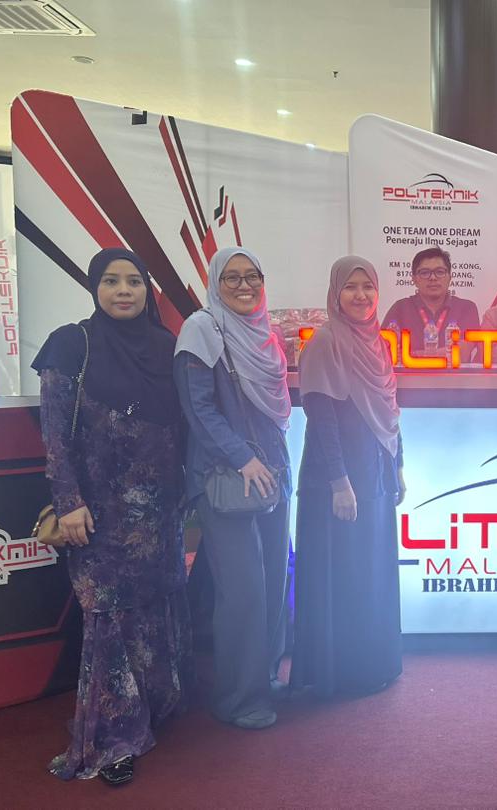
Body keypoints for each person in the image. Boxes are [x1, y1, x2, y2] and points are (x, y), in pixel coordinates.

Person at [33, 247, 189, 786]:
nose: (124, 291)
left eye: (134, 282)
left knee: (153, 608)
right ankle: (113, 737)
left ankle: (152, 709)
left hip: (160, 511)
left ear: (148, 290)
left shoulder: (166, 347)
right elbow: (54, 435)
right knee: (109, 618)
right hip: (98, 514)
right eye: (111, 281)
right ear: (94, 287)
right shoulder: (70, 344)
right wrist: (68, 502)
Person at [174, 247, 292, 730]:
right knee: (242, 590)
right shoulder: (201, 330)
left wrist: (270, 463)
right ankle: (238, 698)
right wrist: (241, 458)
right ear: (215, 283)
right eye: (232, 278)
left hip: (273, 471)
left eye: (252, 276)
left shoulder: (265, 332)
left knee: (273, 581)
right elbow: (198, 409)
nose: (245, 286)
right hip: (227, 476)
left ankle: (263, 676)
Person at [292, 255, 406, 697]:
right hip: (338, 477)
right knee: (343, 572)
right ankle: (341, 673)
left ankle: (372, 664)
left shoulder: (377, 342)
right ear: (335, 293)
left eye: (368, 287)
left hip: (374, 471)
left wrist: (397, 466)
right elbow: (321, 418)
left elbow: (390, 411)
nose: (361, 296)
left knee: (369, 569)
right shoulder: (326, 341)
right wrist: (339, 483)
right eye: (350, 287)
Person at [381, 245, 480, 360]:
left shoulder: (467, 308)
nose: (433, 277)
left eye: (440, 272)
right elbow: (384, 353)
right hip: (410, 373)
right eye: (424, 273)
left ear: (450, 277)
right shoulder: (400, 308)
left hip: (451, 374)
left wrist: (410, 356)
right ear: (414, 279)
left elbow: (461, 354)